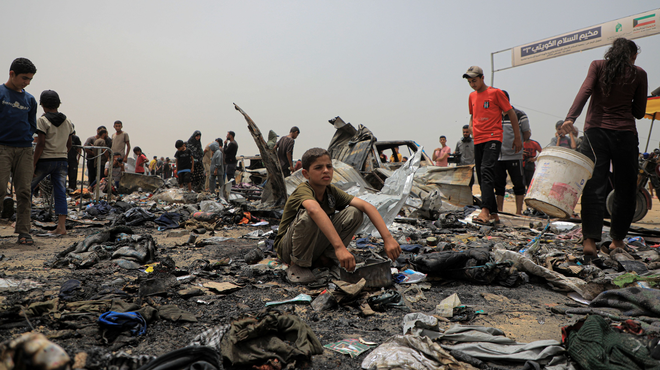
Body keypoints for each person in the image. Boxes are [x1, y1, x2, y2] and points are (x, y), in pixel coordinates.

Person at [561, 38, 647, 258]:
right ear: (633, 55)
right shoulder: (639, 74)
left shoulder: (597, 65)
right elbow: (638, 112)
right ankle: (617, 241)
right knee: (625, 188)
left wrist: (570, 118)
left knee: (594, 186)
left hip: (595, 134)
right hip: (625, 135)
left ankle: (590, 240)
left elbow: (585, 90)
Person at [274, 148, 402, 283]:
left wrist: (388, 239)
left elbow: (366, 206)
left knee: (354, 212)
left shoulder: (331, 191)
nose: (325, 170)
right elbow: (314, 210)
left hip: (312, 244)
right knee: (310, 215)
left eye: (329, 166)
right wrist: (340, 248)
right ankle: (298, 264)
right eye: (318, 167)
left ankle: (327, 258)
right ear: (306, 174)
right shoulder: (303, 190)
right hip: (288, 249)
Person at [463, 65, 521, 225]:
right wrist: (471, 127)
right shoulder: (471, 97)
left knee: (486, 171)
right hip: (479, 139)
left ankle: (485, 210)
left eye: (474, 80)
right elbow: (472, 116)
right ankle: (494, 213)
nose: (472, 84)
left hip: (493, 137)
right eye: (469, 82)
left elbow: (511, 113)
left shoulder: (496, 93)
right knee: (481, 176)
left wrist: (517, 137)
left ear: (482, 78)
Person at [31, 90, 73, 236]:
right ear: (58, 103)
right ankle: (61, 227)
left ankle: (22, 221)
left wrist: (33, 163)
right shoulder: (67, 121)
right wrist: (62, 153)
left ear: (42, 104)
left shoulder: (42, 120)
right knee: (61, 192)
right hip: (62, 160)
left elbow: (41, 143)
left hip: (45, 160)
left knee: (27, 187)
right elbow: (69, 144)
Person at [494, 91, 531, 215]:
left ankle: (518, 212)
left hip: (514, 155)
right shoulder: (495, 115)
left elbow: (527, 133)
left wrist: (518, 142)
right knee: (499, 185)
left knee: (518, 184)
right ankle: (499, 211)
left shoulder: (519, 114)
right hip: (498, 156)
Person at [67, 124, 81, 191]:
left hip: (73, 159)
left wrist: (78, 159)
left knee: (73, 176)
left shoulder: (75, 138)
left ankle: (72, 189)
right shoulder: (63, 137)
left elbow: (79, 149)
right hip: (64, 159)